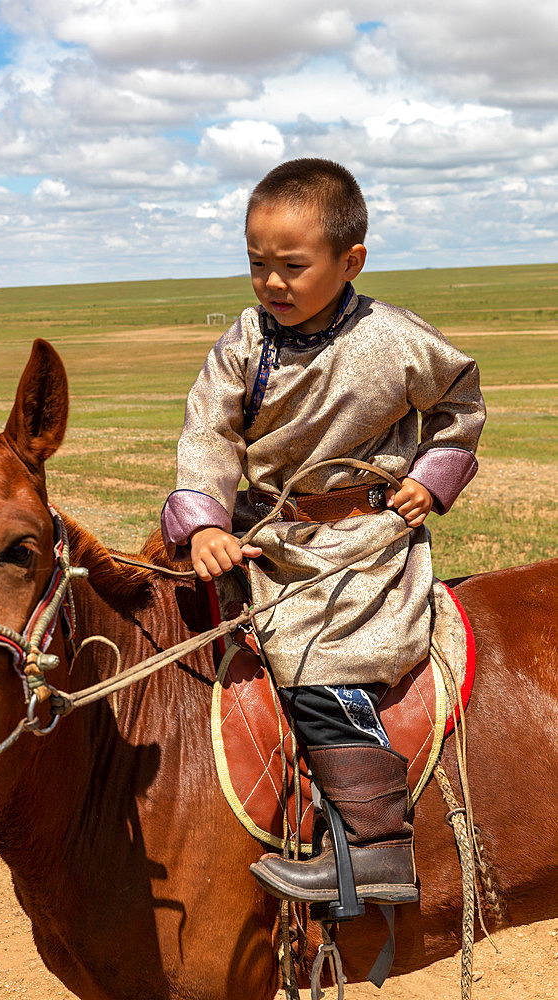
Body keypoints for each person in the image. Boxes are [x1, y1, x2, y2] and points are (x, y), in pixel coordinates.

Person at [161, 158, 485, 906]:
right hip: (268, 534)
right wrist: (205, 522)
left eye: (292, 267)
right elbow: (207, 434)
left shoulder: (396, 338)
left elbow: (457, 406)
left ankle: (377, 849)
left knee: (318, 659)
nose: (271, 283)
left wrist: (427, 478)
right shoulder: (244, 343)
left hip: (362, 545)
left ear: (350, 261)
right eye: (256, 265)